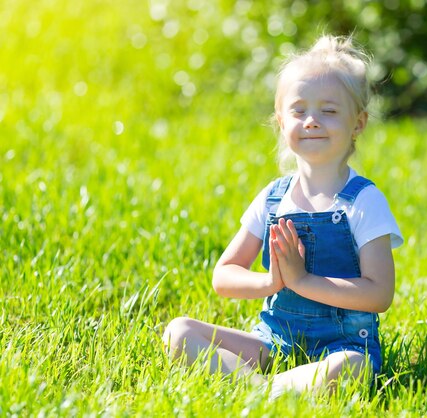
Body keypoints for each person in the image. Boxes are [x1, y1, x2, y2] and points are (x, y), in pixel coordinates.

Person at [162, 34, 403, 395]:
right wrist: (271, 283)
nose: (311, 121)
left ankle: (253, 389)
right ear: (280, 120)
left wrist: (304, 281)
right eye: (298, 110)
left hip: (340, 348)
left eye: (329, 111)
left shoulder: (363, 201)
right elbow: (223, 276)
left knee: (352, 367)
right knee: (178, 331)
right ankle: (270, 389)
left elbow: (379, 293)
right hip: (274, 344)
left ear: (358, 123)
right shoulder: (273, 198)